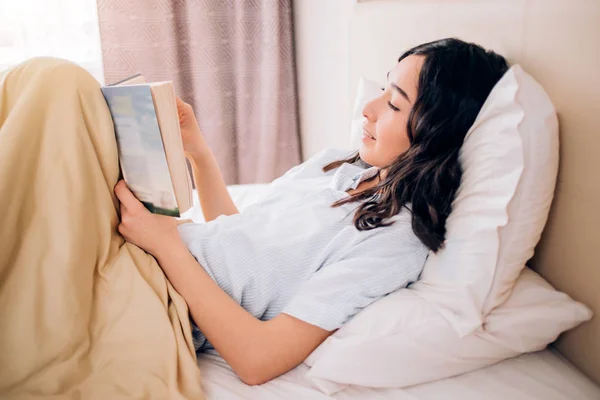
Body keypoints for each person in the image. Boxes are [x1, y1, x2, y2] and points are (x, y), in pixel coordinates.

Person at [1, 38, 509, 389]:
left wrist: (166, 245)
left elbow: (257, 360)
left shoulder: (394, 239)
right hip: (145, 251)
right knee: (43, 85)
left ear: (438, 132)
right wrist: (199, 153)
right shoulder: (338, 167)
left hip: (156, 296)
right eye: (382, 90)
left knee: (53, 82)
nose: (369, 109)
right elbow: (238, 236)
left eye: (394, 105)